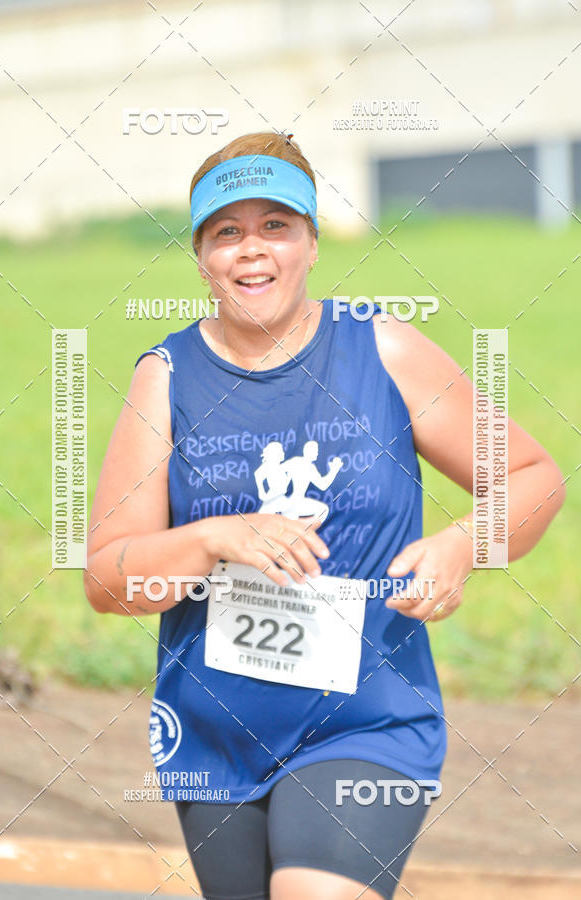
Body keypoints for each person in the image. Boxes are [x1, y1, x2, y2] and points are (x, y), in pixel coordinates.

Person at [84, 131, 566, 900]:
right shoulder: (166, 378)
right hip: (216, 732)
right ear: (201, 256)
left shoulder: (383, 348)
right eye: (226, 232)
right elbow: (108, 578)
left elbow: (532, 475)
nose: (252, 251)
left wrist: (466, 543)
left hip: (367, 723)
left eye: (276, 225)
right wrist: (211, 538)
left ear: (312, 241)